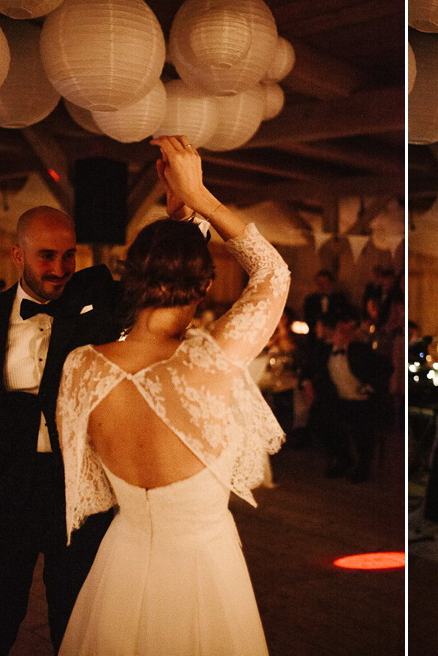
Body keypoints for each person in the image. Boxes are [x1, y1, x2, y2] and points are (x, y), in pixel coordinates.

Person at [56, 136, 289, 655]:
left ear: (132, 277)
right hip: (204, 569)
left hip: (123, 558)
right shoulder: (208, 360)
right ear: (203, 289)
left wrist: (183, 224)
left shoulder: (82, 368)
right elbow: (273, 274)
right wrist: (200, 197)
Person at [0, 206, 122, 655]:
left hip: (79, 494)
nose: (59, 269)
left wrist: (186, 222)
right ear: (17, 256)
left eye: (68, 256)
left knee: (78, 629)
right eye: (45, 256)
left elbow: (161, 282)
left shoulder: (97, 298)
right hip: (5, 495)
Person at [301, 305, 393, 483]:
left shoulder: (359, 349)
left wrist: (370, 387)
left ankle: (363, 466)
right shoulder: (324, 351)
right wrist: (307, 385)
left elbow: (386, 368)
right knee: (319, 420)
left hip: (364, 402)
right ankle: (343, 458)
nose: (345, 334)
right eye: (341, 330)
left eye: (348, 331)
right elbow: (306, 371)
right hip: (340, 400)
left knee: (363, 427)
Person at [302, 269, 350, 334]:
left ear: (331, 283)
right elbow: (308, 317)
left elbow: (344, 317)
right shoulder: (310, 300)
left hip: (335, 333)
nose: (321, 286)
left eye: (324, 283)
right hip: (315, 334)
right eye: (319, 283)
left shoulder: (340, 299)